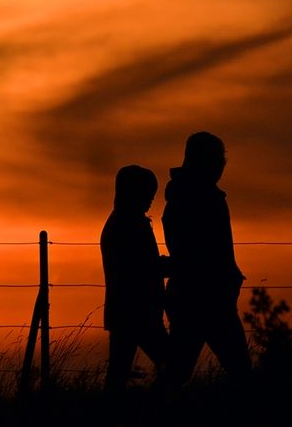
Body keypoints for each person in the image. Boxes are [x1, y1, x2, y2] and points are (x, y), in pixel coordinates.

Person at [161, 131, 251, 387]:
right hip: (206, 298)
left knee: (178, 371)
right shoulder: (198, 199)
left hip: (198, 295)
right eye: (217, 160)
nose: (222, 165)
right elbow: (201, 253)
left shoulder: (186, 197)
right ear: (204, 162)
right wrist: (226, 278)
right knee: (239, 371)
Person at [100, 164, 169, 408]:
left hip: (125, 311)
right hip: (138, 312)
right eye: (147, 194)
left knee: (118, 373)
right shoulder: (129, 226)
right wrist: (171, 266)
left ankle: (113, 414)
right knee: (172, 365)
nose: (150, 200)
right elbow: (141, 268)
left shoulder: (121, 222)